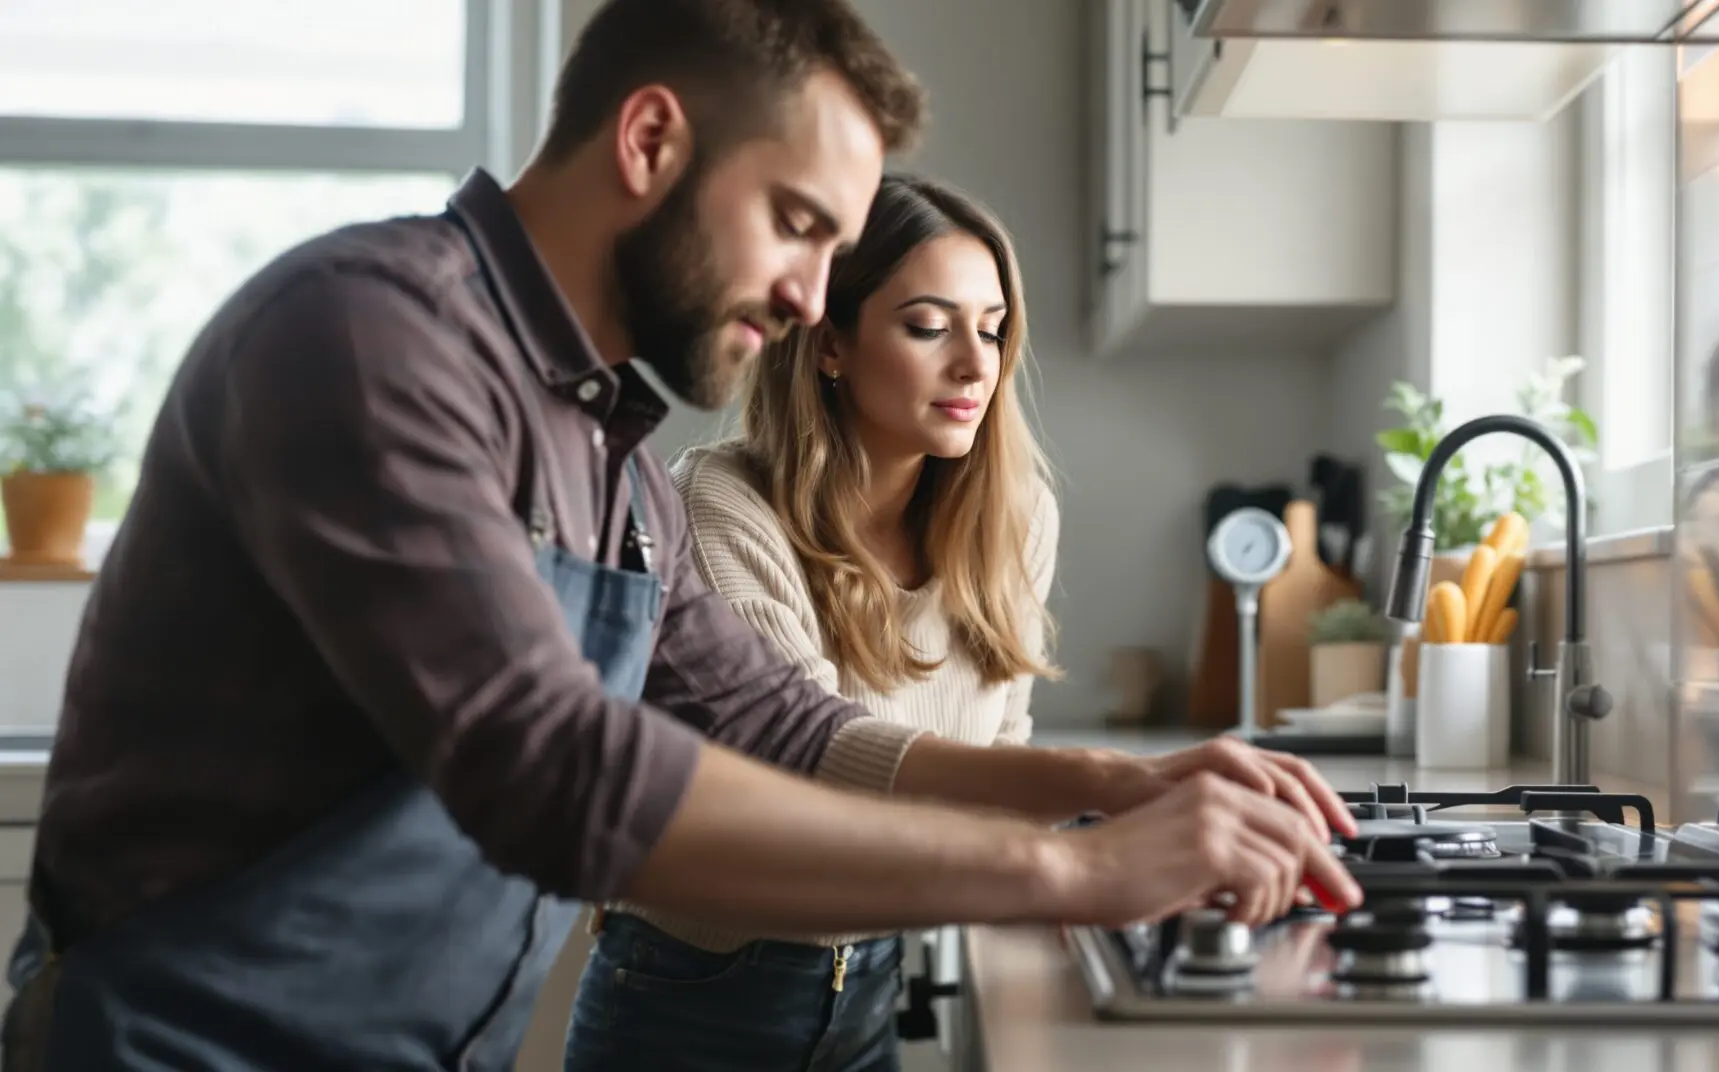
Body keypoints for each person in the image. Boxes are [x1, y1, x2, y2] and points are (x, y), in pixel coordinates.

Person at [0, 2, 1361, 1069]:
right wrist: (1070, 868)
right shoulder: (372, 337)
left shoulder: (617, 461)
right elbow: (553, 771)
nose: (813, 293)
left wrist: (1111, 784)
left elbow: (785, 724)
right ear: (650, 144)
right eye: (797, 224)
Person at [565, 174, 1060, 1070]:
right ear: (830, 343)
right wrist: (1088, 829)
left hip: (871, 976)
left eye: (991, 329)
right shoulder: (719, 503)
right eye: (928, 326)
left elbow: (1002, 758)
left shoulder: (1015, 521)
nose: (975, 364)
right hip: (696, 989)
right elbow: (811, 775)